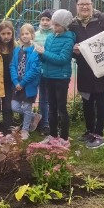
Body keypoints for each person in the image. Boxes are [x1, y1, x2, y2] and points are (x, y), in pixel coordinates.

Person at [70, 0, 104, 149]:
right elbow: (69, 47)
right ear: (76, 6)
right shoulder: (73, 25)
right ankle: (90, 131)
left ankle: (100, 135)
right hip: (85, 70)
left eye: (87, 4)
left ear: (92, 5)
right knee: (86, 101)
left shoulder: (103, 20)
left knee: (100, 101)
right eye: (81, 4)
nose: (84, 7)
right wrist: (74, 51)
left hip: (103, 68)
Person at [34, 9, 75, 142]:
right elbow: (46, 58)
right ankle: (52, 134)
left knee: (61, 108)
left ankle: (64, 137)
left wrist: (44, 53)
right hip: (48, 76)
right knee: (52, 106)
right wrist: (40, 55)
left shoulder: (69, 39)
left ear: (65, 26)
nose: (54, 27)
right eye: (54, 24)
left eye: (57, 25)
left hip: (61, 78)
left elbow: (62, 59)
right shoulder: (50, 37)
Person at [9, 23, 41, 140]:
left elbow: (34, 70)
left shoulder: (35, 51)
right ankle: (34, 116)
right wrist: (16, 81)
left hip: (28, 85)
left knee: (27, 107)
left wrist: (22, 84)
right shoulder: (17, 50)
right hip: (17, 83)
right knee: (14, 107)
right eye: (22, 34)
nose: (24, 36)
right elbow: (12, 65)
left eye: (27, 33)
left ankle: (25, 130)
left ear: (32, 35)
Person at [34, 9, 54, 135]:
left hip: (51, 70)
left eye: (48, 20)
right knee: (42, 97)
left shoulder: (54, 34)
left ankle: (49, 122)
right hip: (38, 69)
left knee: (50, 97)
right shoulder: (36, 34)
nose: (45, 22)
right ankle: (44, 122)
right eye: (43, 20)